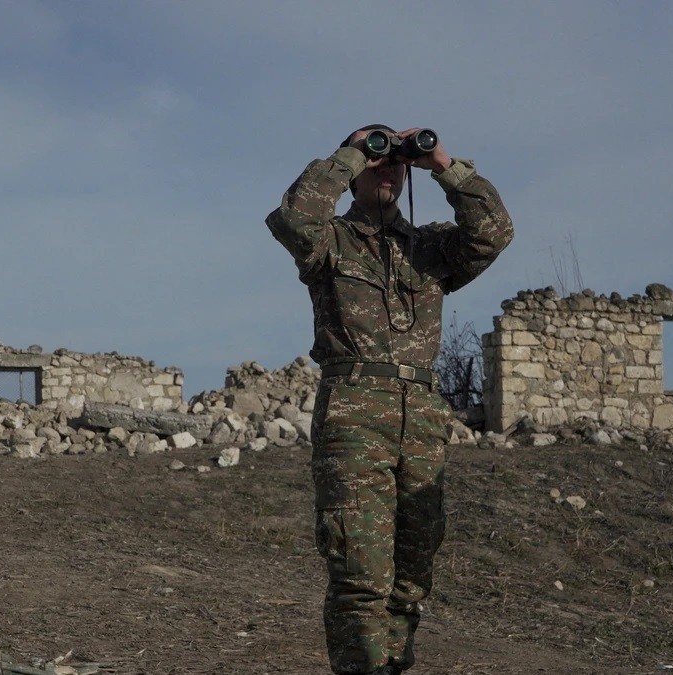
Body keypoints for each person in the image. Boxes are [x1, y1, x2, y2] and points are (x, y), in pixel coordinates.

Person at [265, 124, 513, 674]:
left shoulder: (429, 249)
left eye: (393, 162)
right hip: (355, 414)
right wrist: (353, 152)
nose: (386, 169)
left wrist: (442, 164)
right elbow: (295, 215)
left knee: (412, 576)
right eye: (375, 160)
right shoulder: (330, 241)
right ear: (354, 173)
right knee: (360, 571)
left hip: (422, 420)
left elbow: (492, 232)